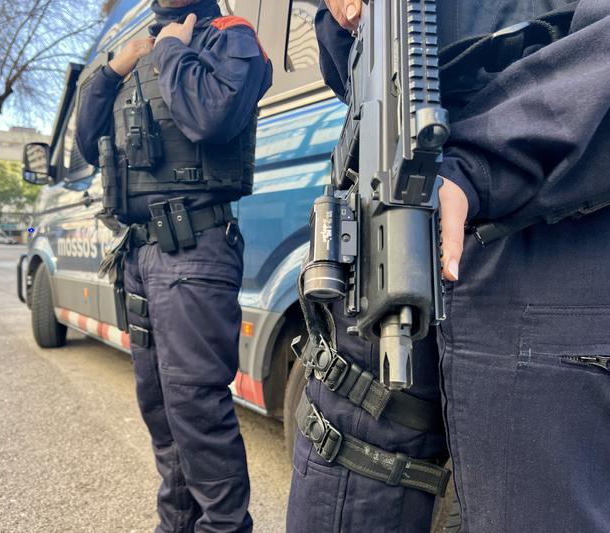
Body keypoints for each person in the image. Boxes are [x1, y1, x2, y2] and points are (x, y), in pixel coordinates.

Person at [288, 0, 610, 531]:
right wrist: (341, 19)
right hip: (384, 226)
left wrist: (482, 163)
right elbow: (353, 78)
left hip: (544, 243)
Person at [76, 1, 272, 531]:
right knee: (161, 409)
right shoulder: (140, 51)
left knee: (197, 411)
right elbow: (87, 143)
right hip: (140, 253)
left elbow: (210, 117)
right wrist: (115, 67)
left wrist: (169, 50)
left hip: (194, 248)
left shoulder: (229, 36)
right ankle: (176, 524)